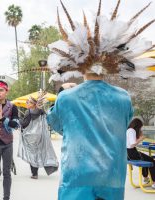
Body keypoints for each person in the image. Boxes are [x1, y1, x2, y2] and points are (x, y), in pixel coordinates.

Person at [47, 1, 155, 199]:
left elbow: (57, 124)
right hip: (112, 176)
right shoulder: (123, 98)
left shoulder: (66, 98)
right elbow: (122, 124)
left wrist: (63, 91)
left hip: (77, 177)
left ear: (78, 63)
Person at [18, 91, 58, 179]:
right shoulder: (41, 111)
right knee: (39, 152)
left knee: (32, 154)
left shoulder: (28, 112)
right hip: (40, 135)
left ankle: (34, 173)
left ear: (33, 104)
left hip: (30, 136)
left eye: (28, 102)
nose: (26, 103)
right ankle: (47, 167)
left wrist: (19, 120)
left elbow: (25, 123)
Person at [127, 118, 155, 189]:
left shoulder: (129, 130)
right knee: (151, 160)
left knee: (146, 158)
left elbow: (131, 143)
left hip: (129, 153)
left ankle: (145, 177)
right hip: (132, 153)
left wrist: (139, 136)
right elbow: (132, 144)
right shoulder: (131, 131)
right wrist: (141, 138)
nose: (140, 128)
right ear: (137, 125)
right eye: (140, 127)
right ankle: (154, 182)